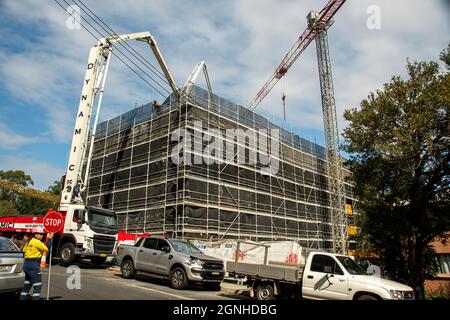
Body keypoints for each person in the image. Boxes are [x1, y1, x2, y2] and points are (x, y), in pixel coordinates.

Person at [20, 227, 51, 300]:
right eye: (40, 234)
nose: (42, 235)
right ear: (36, 235)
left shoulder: (29, 241)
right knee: (38, 286)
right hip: (33, 266)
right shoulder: (37, 242)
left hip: (26, 265)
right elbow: (46, 248)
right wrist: (50, 239)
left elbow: (24, 250)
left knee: (26, 286)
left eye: (42, 234)